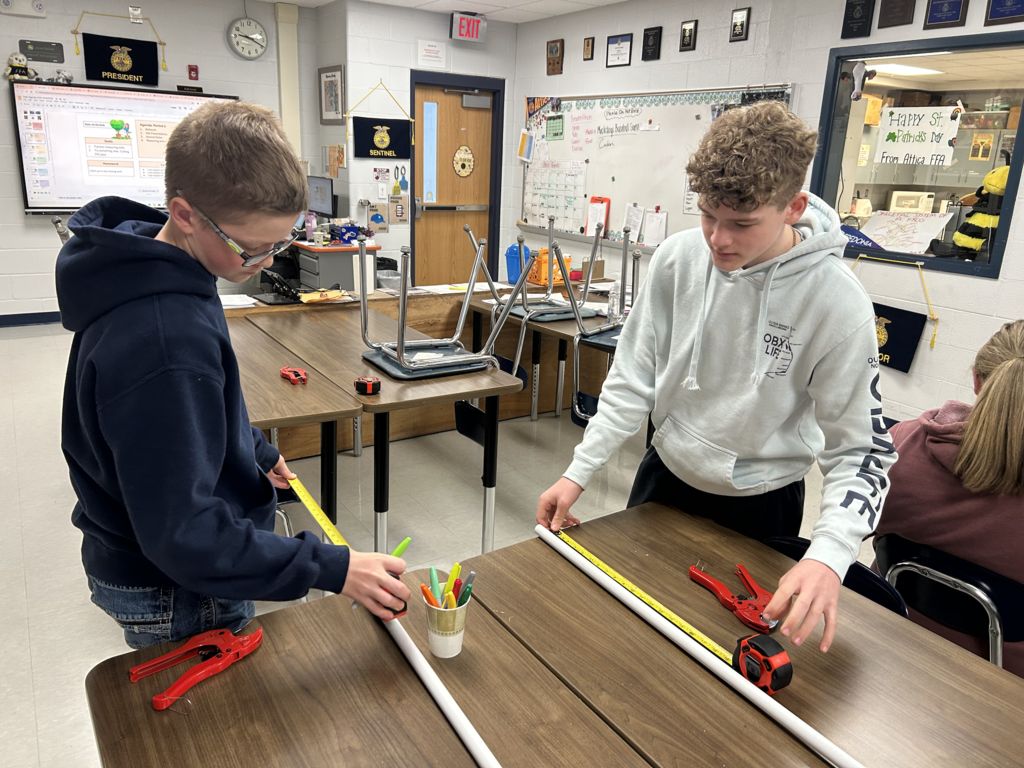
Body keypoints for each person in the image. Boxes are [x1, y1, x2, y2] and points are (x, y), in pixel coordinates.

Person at [536, 101, 896, 654]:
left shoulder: (837, 304)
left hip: (761, 500)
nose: (718, 240)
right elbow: (633, 379)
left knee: (728, 658)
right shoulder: (678, 259)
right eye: (708, 215)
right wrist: (578, 471)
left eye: (742, 223)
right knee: (635, 637)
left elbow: (861, 452)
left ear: (793, 208)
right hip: (665, 476)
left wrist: (829, 556)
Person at [58, 101, 410, 649]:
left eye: (281, 243)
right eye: (253, 248)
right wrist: (333, 569)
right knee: (215, 730)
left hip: (159, 559)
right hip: (179, 589)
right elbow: (188, 536)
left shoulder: (156, 268)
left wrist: (253, 450)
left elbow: (198, 410)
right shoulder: (163, 338)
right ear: (185, 214)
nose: (268, 261)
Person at [874, 320, 1024, 677]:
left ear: (976, 380)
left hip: (880, 637)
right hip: (999, 690)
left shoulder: (902, 443)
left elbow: (852, 522)